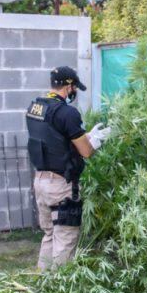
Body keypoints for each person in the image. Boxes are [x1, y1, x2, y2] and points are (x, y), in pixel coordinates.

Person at [26, 65, 112, 270]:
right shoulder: (67, 113)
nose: (74, 93)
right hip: (61, 186)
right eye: (74, 88)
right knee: (65, 239)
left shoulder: (35, 107)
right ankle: (59, 291)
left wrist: (86, 135)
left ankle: (43, 285)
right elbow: (86, 152)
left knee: (49, 235)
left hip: (40, 181)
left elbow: (55, 139)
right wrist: (96, 140)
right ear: (69, 86)